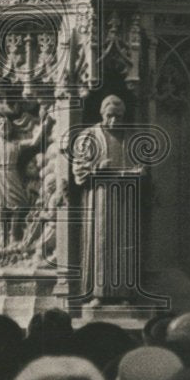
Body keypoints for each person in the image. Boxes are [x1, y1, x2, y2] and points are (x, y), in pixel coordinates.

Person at [72, 95, 145, 306]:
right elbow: (79, 170)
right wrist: (96, 168)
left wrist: (140, 171)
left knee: (125, 242)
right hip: (101, 197)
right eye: (110, 116)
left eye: (118, 117)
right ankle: (98, 294)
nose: (114, 121)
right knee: (102, 241)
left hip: (125, 198)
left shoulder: (131, 136)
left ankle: (125, 294)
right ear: (102, 114)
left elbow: (141, 163)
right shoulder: (89, 137)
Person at [0, 105, 50, 248]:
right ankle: (2, 237)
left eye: (6, 125)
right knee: (0, 206)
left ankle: (13, 234)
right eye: (1, 125)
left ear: (10, 128)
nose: (4, 127)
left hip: (11, 173)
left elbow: (34, 141)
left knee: (19, 204)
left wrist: (44, 124)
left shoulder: (16, 144)